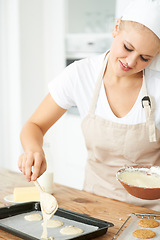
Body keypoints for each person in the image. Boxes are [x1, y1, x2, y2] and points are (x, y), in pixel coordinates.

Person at [18, 0, 160, 210]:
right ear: (116, 28)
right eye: (127, 47)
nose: (130, 62)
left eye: (145, 58)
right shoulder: (80, 75)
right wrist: (34, 150)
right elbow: (34, 125)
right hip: (95, 203)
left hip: (151, 211)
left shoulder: (157, 85)